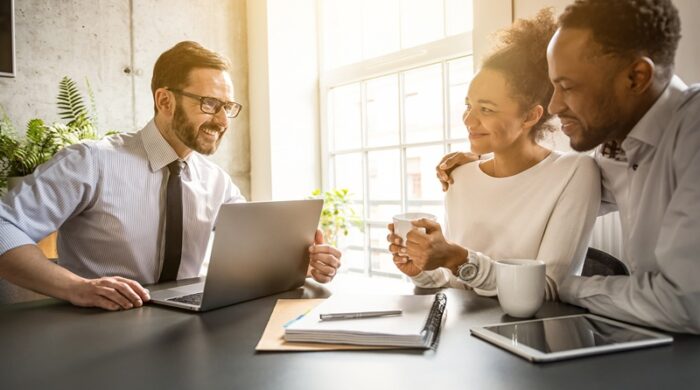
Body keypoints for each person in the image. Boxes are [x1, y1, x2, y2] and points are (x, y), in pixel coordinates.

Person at [0, 41, 341, 311]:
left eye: (228, 107)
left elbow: (257, 254)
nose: (222, 121)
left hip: (185, 327)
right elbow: (4, 227)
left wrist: (304, 263)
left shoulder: (217, 182)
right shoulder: (91, 161)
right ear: (164, 100)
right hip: (95, 328)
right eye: (209, 104)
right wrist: (77, 287)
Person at [438, 0, 700, 334]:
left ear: (636, 77)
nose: (554, 105)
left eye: (568, 86)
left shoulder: (693, 133)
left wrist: (562, 285)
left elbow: (685, 303)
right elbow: (549, 181)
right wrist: (488, 160)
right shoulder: (614, 153)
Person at [386, 10, 600, 301]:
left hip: (528, 337)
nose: (468, 120)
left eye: (486, 109)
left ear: (530, 116)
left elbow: (549, 289)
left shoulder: (574, 172)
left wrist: (457, 259)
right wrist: (420, 267)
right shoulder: (459, 176)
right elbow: (455, 283)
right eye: (468, 105)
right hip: (461, 337)